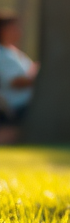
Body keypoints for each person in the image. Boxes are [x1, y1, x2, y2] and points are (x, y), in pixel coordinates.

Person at [0, 11, 37, 144]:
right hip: (16, 107)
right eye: (14, 27)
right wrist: (38, 75)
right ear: (3, 30)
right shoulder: (2, 54)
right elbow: (16, 82)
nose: (18, 31)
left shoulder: (13, 51)